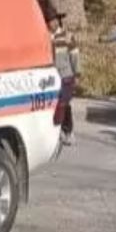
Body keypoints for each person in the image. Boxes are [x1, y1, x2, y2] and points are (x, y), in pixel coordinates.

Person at [48, 12, 79, 146]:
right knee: (55, 104)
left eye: (54, 20)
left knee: (64, 103)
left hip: (66, 75)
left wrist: (77, 73)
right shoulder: (45, 37)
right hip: (50, 77)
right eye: (49, 21)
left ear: (58, 21)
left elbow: (75, 56)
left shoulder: (67, 37)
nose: (51, 24)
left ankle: (68, 131)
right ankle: (58, 130)